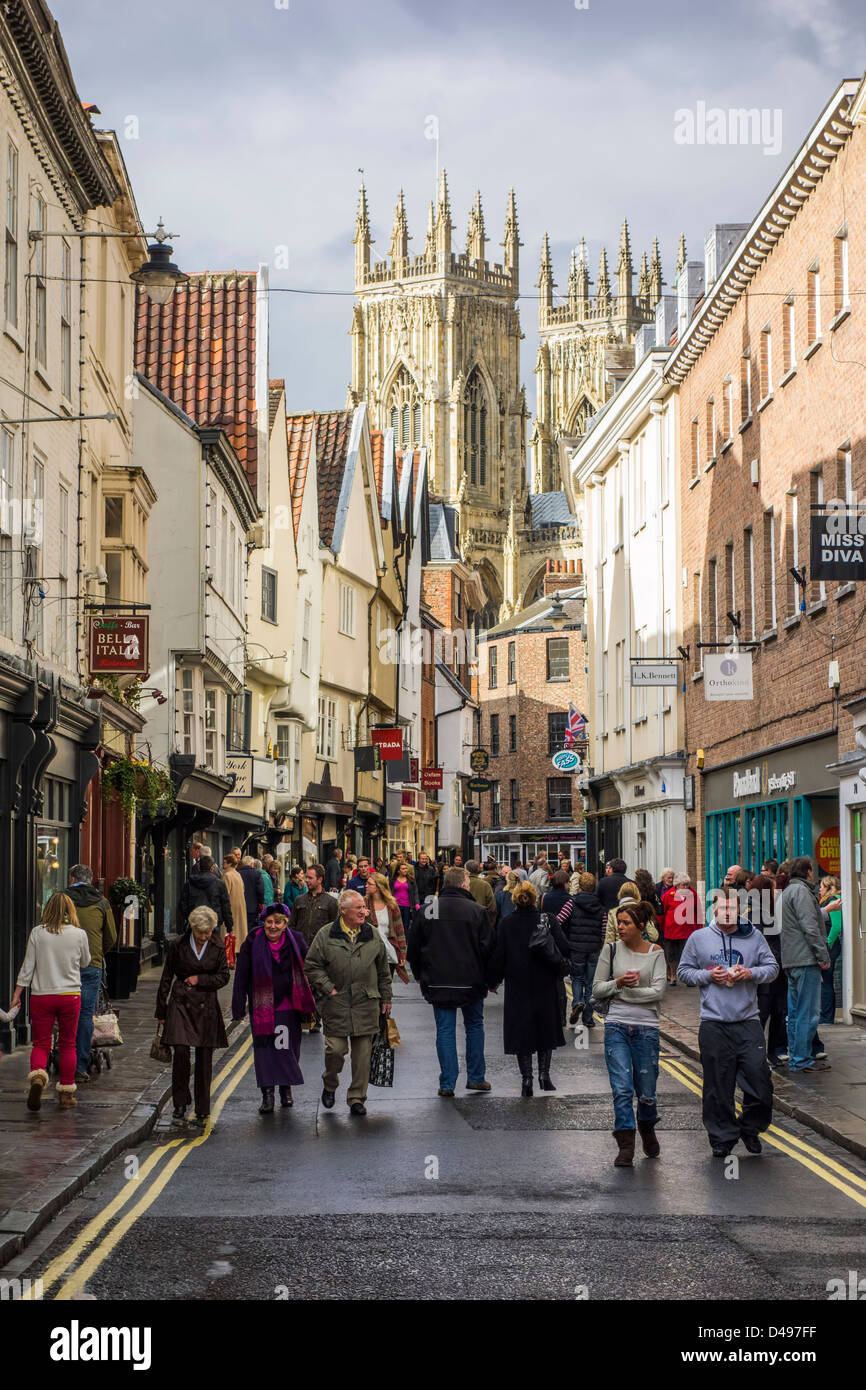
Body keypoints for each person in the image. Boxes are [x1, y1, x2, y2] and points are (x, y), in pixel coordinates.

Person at [678, 888, 778, 1157]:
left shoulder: (753, 936)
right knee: (717, 1086)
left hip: (747, 1021)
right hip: (713, 1023)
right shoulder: (698, 938)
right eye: (722, 909)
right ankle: (722, 1137)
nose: (727, 914)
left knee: (760, 1083)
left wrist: (750, 973)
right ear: (714, 910)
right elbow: (683, 973)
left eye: (732, 909)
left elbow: (772, 968)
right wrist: (709, 976)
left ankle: (750, 1128)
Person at [407, 866, 496, 1097]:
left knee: (445, 1030)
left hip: (437, 980)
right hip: (471, 981)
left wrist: (418, 973)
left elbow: (414, 946)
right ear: (464, 885)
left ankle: (447, 1082)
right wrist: (491, 979)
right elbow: (488, 949)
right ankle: (476, 1077)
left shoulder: (430, 909)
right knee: (474, 1026)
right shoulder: (476, 910)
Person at [304, 890, 392, 1116]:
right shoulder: (326, 935)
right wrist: (328, 988)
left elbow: (383, 970)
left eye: (364, 907)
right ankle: (330, 1083)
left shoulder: (372, 934)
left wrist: (386, 998)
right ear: (343, 911)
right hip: (337, 1002)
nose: (364, 911)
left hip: (366, 1002)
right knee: (335, 1049)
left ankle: (356, 1098)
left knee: (362, 1056)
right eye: (358, 908)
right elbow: (312, 965)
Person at [593, 903, 667, 1166]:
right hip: (616, 1027)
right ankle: (626, 1146)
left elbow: (658, 992)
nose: (620, 927)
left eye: (625, 923)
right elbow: (597, 988)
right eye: (619, 922)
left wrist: (624, 992)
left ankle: (647, 1125)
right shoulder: (611, 950)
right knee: (622, 1089)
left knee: (646, 1091)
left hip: (646, 1029)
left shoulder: (656, 953)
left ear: (640, 926)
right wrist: (618, 983)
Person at [487, 880, 569, 1095]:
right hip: (545, 981)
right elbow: (565, 948)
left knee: (522, 1030)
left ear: (514, 899)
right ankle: (544, 1075)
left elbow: (499, 956)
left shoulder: (506, 923)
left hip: (518, 984)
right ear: (535, 898)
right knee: (545, 1028)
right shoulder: (547, 920)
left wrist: (492, 980)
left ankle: (526, 1079)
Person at [10, 892, 90, 1112]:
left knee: (41, 1043)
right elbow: (85, 962)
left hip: (42, 995)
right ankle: (65, 1095)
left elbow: (28, 967)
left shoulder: (38, 932)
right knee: (68, 1044)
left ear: (48, 909)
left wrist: (17, 994)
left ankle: (37, 1077)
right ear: (70, 910)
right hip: (69, 996)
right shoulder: (79, 934)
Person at [232, 903, 315, 1113]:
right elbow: (241, 976)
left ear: (285, 923)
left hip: (288, 1006)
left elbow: (311, 967)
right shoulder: (253, 940)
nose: (273, 926)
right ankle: (267, 1094)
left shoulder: (296, 940)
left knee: (286, 1049)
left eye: (278, 922)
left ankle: (285, 1089)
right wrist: (238, 1006)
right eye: (269, 922)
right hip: (263, 1006)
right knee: (265, 1051)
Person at [157, 905, 229, 1126]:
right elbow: (167, 977)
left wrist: (200, 980)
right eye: (201, 933)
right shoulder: (178, 944)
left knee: (204, 1058)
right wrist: (161, 1011)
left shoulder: (217, 945)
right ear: (192, 928)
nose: (205, 937)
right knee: (180, 1053)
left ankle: (202, 1108)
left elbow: (224, 977)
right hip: (180, 1002)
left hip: (206, 1005)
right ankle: (179, 1106)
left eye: (208, 933)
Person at [779, 856, 831, 1073]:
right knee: (808, 1013)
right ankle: (801, 1059)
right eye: (812, 870)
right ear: (808, 871)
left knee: (795, 1012)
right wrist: (823, 955)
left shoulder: (789, 891)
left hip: (791, 959)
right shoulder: (801, 892)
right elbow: (810, 927)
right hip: (805, 959)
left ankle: (797, 1057)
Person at [65, 865, 116, 1084]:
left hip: (63, 964)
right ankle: (80, 1065)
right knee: (85, 1013)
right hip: (91, 965)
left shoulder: (61, 899)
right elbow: (111, 936)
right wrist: (96, 953)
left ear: (72, 879)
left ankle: (63, 1059)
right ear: (91, 880)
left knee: (63, 1012)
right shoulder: (102, 902)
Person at [557, 871, 606, 1028]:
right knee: (591, 983)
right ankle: (588, 1018)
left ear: (579, 886)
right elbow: (604, 929)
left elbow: (559, 920)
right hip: (593, 948)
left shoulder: (572, 903)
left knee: (577, 978)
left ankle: (577, 1002)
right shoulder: (600, 906)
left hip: (576, 946)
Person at [748, 873, 787, 1065]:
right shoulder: (755, 913)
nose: (775, 892)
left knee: (778, 1012)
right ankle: (759, 1053)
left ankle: (771, 1053)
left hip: (777, 970)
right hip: (765, 971)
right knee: (763, 1013)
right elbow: (760, 942)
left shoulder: (769, 910)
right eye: (772, 889)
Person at [364, 873, 409, 982]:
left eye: (369, 884)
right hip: (369, 955)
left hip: (389, 953)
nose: (366, 886)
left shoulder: (391, 905)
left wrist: (402, 953)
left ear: (379, 887)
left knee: (386, 990)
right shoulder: (363, 903)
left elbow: (400, 931)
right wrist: (361, 915)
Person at [179, 855, 232, 939]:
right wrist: (229, 926)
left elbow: (183, 904)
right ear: (212, 868)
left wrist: (190, 916)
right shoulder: (219, 884)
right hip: (213, 922)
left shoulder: (190, 883)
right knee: (212, 948)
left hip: (196, 921)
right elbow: (225, 906)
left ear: (199, 868)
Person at [660, 872, 699, 984]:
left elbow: (697, 911)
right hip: (671, 930)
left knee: (688, 955)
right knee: (672, 955)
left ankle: (688, 978)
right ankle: (673, 976)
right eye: (683, 885)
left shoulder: (693, 894)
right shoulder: (668, 895)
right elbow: (662, 913)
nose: (686, 887)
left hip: (688, 930)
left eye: (687, 884)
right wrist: (663, 927)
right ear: (677, 885)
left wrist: (698, 928)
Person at [818, 875, 842, 1026]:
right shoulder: (829, 900)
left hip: (830, 947)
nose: (819, 889)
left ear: (828, 887)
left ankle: (827, 1017)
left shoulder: (833, 900)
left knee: (825, 981)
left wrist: (828, 944)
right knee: (825, 981)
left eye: (821, 886)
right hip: (828, 946)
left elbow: (836, 926)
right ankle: (826, 1015)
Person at [222, 854, 248, 953]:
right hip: (240, 907)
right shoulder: (237, 874)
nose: (223, 863)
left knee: (229, 932)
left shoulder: (227, 875)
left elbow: (225, 894)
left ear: (229, 863)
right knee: (239, 932)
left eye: (225, 862)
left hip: (231, 907)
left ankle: (230, 951)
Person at [392, 860, 420, 937]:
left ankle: (406, 942)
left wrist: (417, 903)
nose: (405, 870)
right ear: (398, 871)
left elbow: (415, 892)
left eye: (406, 868)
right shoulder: (393, 880)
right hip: (396, 906)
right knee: (396, 925)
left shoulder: (411, 880)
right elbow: (389, 892)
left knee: (406, 925)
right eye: (403, 869)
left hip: (407, 906)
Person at [466, 859, 497, 926]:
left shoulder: (461, 884)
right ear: (478, 869)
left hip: (464, 923)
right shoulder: (485, 885)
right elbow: (492, 908)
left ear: (466, 870)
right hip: (481, 922)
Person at [239, 854, 265, 934]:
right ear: (252, 864)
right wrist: (261, 902)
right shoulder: (257, 874)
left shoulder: (238, 873)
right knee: (252, 930)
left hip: (241, 906)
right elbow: (260, 890)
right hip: (253, 907)